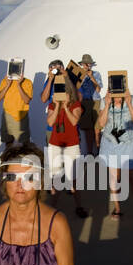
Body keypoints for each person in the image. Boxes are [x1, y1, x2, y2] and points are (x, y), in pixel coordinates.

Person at [42, 66, 87, 217]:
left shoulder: (76, 105)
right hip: (55, 144)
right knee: (55, 178)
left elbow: (74, 122)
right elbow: (50, 121)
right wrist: (57, 106)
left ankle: (79, 206)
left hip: (71, 145)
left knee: (73, 179)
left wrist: (66, 107)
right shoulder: (52, 105)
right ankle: (52, 209)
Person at [97, 87, 133, 220]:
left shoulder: (132, 98)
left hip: (128, 142)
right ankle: (118, 209)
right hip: (110, 142)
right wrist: (107, 104)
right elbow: (101, 123)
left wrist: (129, 103)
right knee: (114, 178)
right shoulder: (104, 101)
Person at [0, 65, 33, 149]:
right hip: (7, 116)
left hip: (22, 115)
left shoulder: (27, 82)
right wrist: (7, 85)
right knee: (8, 143)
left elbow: (27, 100)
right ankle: (9, 160)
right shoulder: (5, 81)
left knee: (24, 144)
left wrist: (19, 85)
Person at [72, 53, 102, 156]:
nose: (87, 66)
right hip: (83, 102)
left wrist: (91, 77)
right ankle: (88, 152)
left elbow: (98, 90)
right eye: (85, 64)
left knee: (97, 129)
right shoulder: (78, 74)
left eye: (88, 64)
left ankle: (97, 150)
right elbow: (74, 88)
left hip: (95, 101)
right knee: (86, 129)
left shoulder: (96, 74)